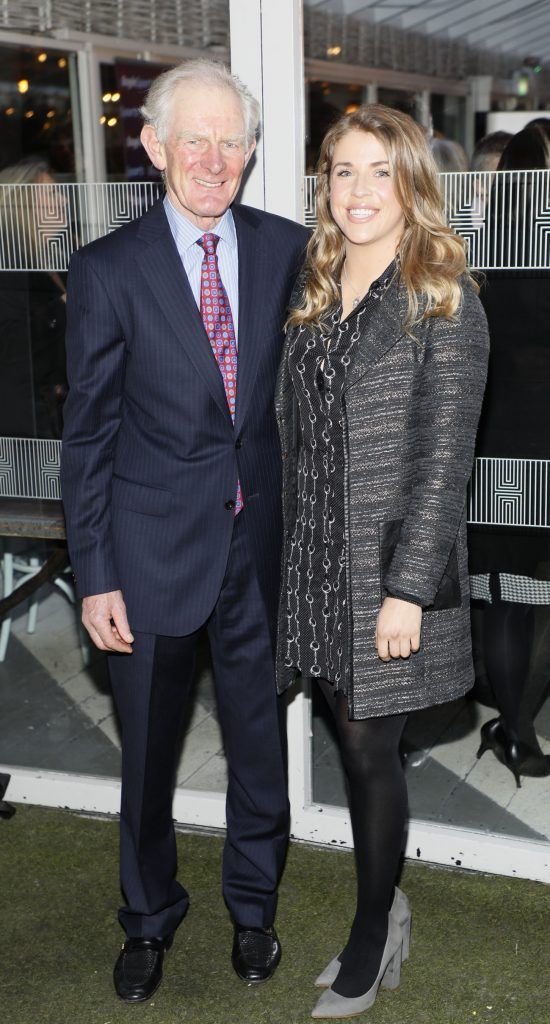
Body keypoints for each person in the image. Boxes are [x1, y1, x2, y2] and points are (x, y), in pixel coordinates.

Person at [61, 59, 309, 1003]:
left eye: (230, 140)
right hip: (149, 556)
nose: (213, 157)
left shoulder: (289, 250)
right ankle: (148, 917)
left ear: (251, 152)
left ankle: (255, 910)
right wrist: (95, 575)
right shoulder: (107, 269)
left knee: (259, 748)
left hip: (261, 554)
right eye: (193, 138)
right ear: (155, 147)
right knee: (148, 761)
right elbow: (85, 436)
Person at [275, 104, 489, 1019]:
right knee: (353, 738)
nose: (358, 191)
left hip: (388, 575)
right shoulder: (314, 283)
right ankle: (381, 903)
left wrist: (406, 591)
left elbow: (447, 462)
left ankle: (373, 930)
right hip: (315, 562)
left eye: (377, 171)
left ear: (411, 183)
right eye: (342, 171)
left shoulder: (443, 294)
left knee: (369, 752)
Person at [469, 124, 550, 785]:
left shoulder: (483, 254)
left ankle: (514, 731)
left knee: (508, 598)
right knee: (528, 598)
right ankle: (514, 726)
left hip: (497, 445)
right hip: (530, 446)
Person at [0, 158, 68, 439]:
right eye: (51, 193)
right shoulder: (11, 274)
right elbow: (18, 367)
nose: (64, 200)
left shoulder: (55, 260)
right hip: (30, 430)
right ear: (23, 205)